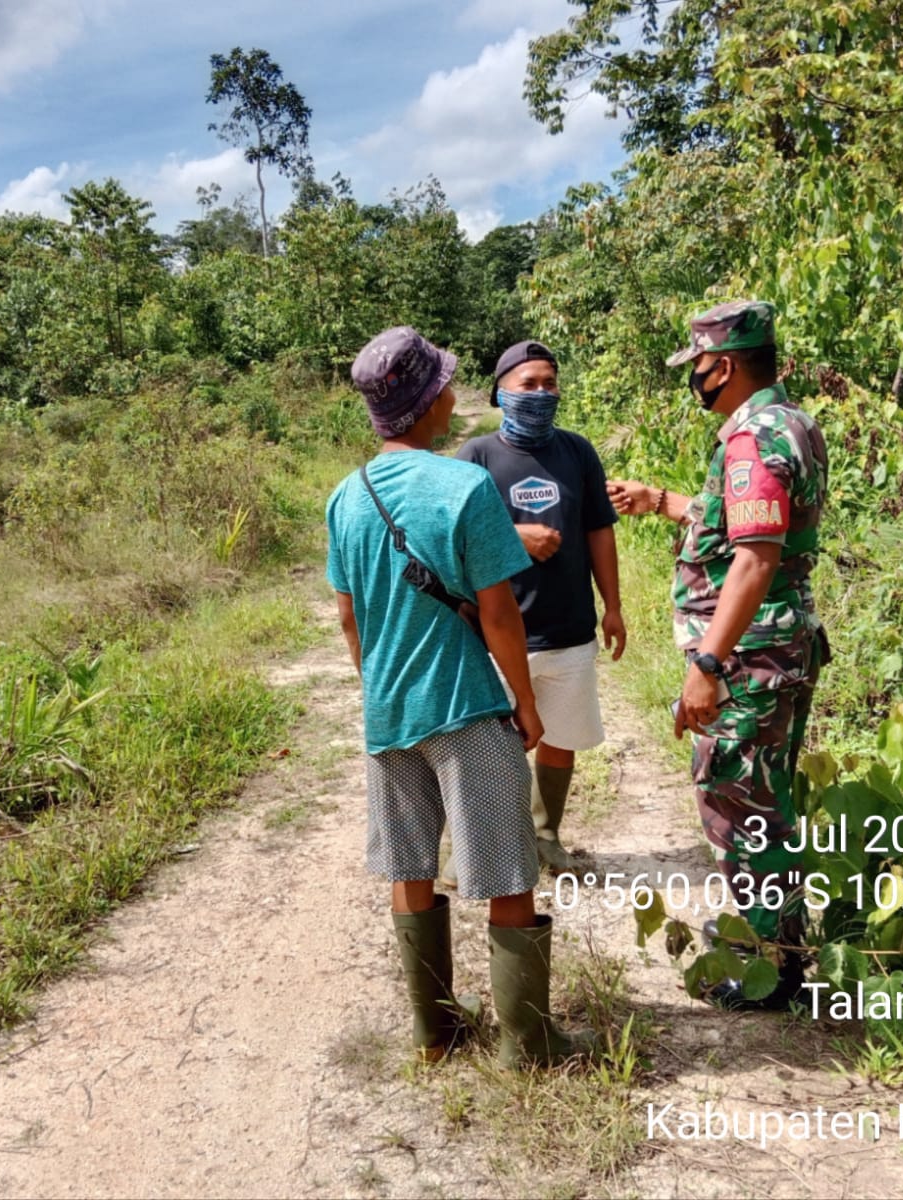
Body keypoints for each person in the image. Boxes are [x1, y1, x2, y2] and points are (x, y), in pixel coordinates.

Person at [326, 326, 596, 1068]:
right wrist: (525, 701)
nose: (453, 391)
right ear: (429, 401)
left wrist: (376, 681)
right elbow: (500, 610)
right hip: (468, 708)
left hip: (390, 713)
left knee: (409, 868)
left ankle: (436, 1035)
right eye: (445, 382)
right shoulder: (465, 487)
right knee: (507, 869)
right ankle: (527, 1044)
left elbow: (349, 615)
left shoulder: (346, 497)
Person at [606, 300, 830, 1011]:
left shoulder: (751, 441)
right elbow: (750, 525)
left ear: (724, 366)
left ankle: (767, 971)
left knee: (739, 805)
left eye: (697, 366)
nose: (694, 378)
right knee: (767, 799)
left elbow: (755, 560)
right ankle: (779, 942)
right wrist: (664, 500)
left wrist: (706, 665)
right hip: (779, 648)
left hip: (750, 661)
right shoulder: (790, 423)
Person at [451, 339, 624, 876]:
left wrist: (612, 606)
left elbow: (599, 531)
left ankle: (546, 836)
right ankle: (473, 847)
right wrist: (512, 535)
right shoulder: (476, 457)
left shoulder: (577, 451)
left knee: (560, 739)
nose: (542, 393)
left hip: (568, 628)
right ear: (501, 392)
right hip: (496, 634)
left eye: (550, 383)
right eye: (529, 384)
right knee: (490, 747)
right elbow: (450, 539)